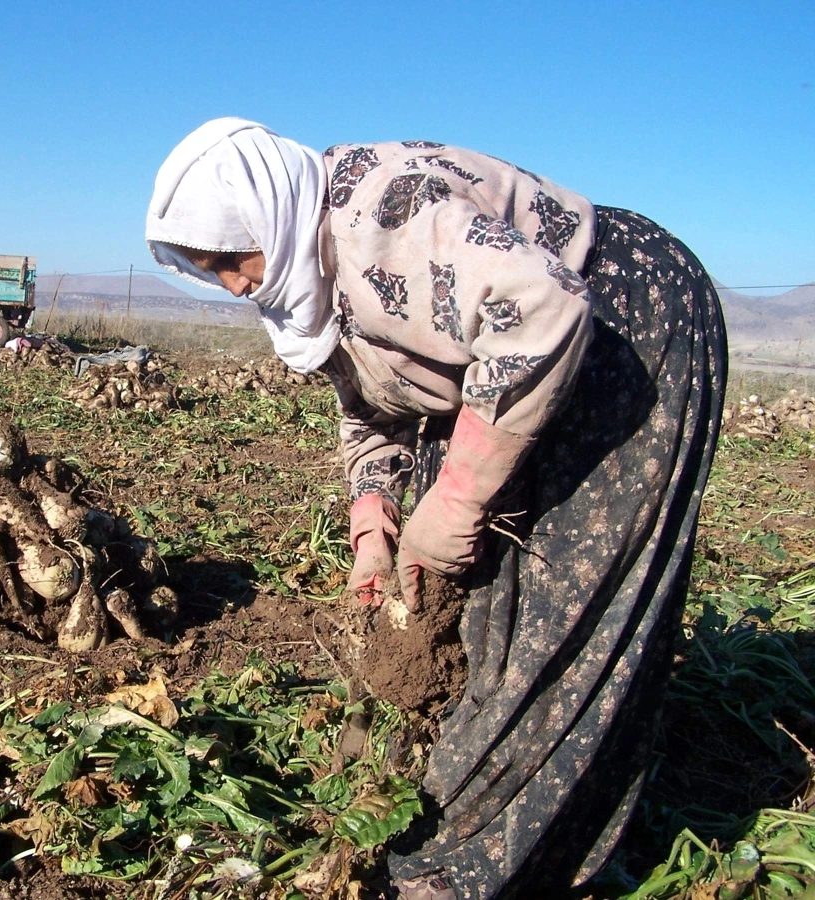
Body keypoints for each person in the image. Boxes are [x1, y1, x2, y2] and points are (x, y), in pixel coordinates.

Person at [145, 119, 727, 899]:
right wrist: (373, 518)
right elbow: (369, 396)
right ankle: (462, 793)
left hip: (622, 330)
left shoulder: (390, 215)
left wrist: (455, 500)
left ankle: (476, 869)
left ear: (268, 210)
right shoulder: (305, 260)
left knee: (559, 618)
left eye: (231, 260)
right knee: (478, 610)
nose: (236, 286)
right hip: (507, 371)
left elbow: (543, 310)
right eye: (209, 270)